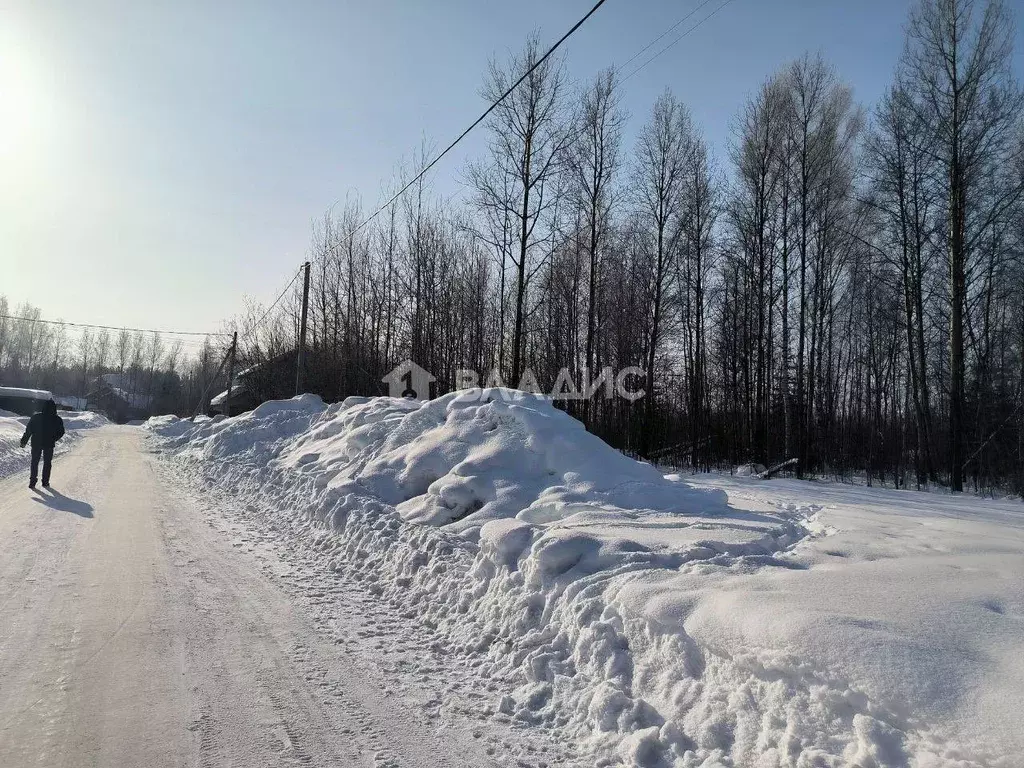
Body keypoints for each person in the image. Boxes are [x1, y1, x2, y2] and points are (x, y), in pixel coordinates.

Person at [20, 400, 65, 489]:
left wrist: (24, 441)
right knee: (47, 463)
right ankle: (45, 482)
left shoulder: (36, 417)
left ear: (43, 407)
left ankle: (32, 482)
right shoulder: (57, 419)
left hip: (36, 443)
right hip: (49, 444)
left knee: (34, 462)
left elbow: (29, 430)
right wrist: (54, 439)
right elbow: (61, 432)